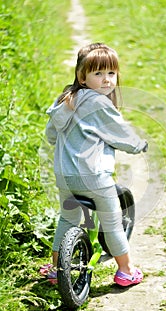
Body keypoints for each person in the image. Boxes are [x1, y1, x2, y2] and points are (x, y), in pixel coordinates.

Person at [40, 42, 148, 286]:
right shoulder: (99, 103)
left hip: (65, 177)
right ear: (83, 76)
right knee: (111, 223)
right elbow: (120, 135)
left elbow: (51, 135)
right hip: (94, 178)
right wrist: (139, 145)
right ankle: (126, 270)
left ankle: (57, 269)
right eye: (98, 74)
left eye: (111, 73)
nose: (106, 80)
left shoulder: (65, 100)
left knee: (67, 220)